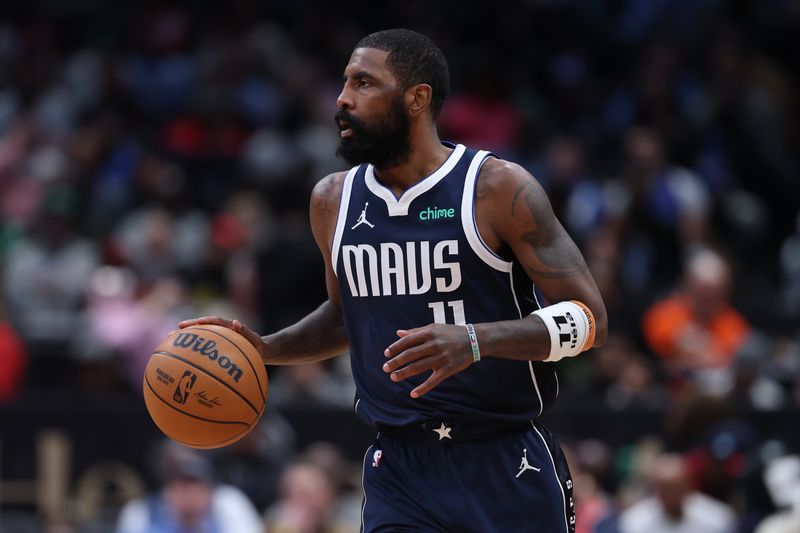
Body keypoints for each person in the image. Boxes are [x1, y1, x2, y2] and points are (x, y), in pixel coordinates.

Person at [180, 28, 607, 532]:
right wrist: (266, 349)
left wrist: (476, 340)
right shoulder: (332, 200)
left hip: (506, 459)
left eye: (364, 83)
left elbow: (588, 320)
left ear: (416, 99)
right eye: (344, 82)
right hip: (400, 472)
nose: (342, 98)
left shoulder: (496, 189)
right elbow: (347, 316)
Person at [115, 440, 263, 533]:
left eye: (195, 484)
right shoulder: (140, 513)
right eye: (181, 485)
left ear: (209, 490)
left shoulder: (229, 504)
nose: (189, 494)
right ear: (167, 491)